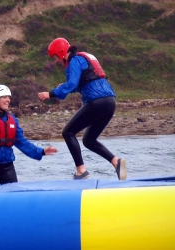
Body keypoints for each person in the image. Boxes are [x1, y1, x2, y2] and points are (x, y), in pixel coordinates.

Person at [38, 37, 127, 180]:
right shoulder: (81, 59)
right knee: (89, 140)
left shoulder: (73, 61)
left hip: (96, 102)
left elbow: (72, 84)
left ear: (61, 53)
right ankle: (116, 162)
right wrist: (64, 88)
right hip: (110, 102)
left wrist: (51, 93)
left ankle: (81, 171)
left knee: (68, 132)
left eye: (55, 57)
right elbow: (84, 82)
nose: (55, 61)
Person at [0, 84, 58, 188]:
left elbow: (22, 142)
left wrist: (41, 151)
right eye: (4, 97)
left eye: (9, 97)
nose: (8, 100)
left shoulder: (12, 120)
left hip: (7, 166)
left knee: (13, 194)